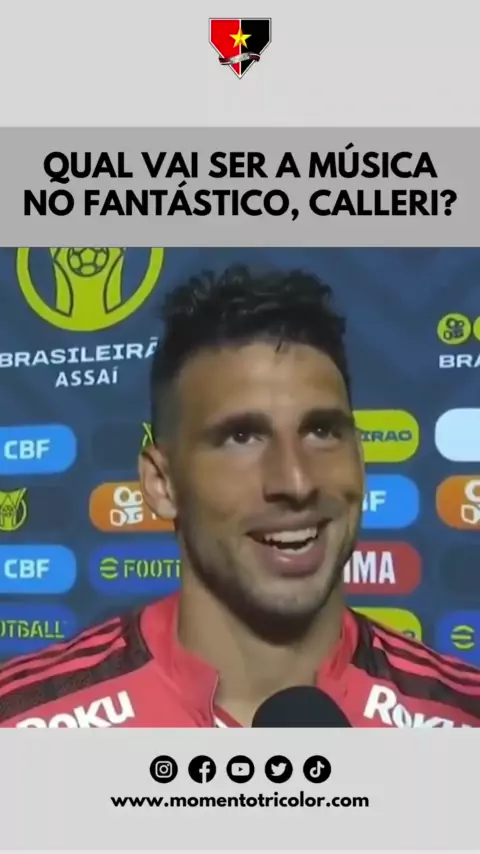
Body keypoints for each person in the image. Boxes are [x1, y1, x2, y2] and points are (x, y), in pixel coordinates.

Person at [1, 265, 479, 728]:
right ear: (162, 485)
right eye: (242, 437)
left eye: (321, 431)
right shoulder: (23, 724)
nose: (296, 482)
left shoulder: (463, 719)